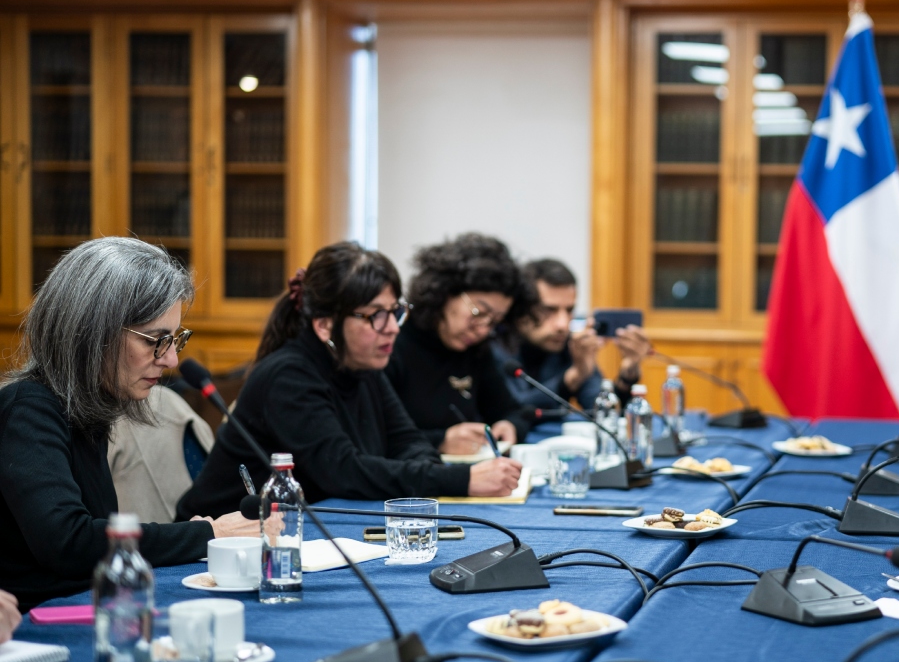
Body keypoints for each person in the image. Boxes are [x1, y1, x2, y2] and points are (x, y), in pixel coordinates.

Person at [0, 237, 258, 612]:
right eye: (156, 340)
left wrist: (191, 535)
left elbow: (98, 543)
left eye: (175, 339)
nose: (170, 359)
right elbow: (69, 544)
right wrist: (209, 534)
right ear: (93, 333)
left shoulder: (88, 412)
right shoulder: (29, 408)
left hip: (86, 611)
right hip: (37, 632)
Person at [177, 242, 522, 519]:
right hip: (218, 548)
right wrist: (462, 479)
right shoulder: (289, 376)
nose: (391, 328)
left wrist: (427, 470)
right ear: (325, 324)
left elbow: (409, 442)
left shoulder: (362, 363)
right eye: (375, 316)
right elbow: (343, 472)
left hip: (311, 531)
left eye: (395, 312)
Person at [386, 233, 531, 454]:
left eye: (494, 321)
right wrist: (439, 441)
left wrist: (509, 426)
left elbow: (513, 411)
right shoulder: (393, 343)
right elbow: (376, 436)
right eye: (479, 312)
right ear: (444, 292)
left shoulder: (475, 351)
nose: (483, 329)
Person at [494, 258, 653, 411]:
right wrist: (573, 377)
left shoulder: (568, 344)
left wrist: (627, 375)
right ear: (522, 310)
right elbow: (512, 410)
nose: (563, 324)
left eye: (569, 310)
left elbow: (600, 408)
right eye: (549, 310)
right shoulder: (497, 342)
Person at [109, 384, 215, 523]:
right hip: (144, 537)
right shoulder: (165, 399)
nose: (172, 362)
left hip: (200, 531)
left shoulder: (167, 400)